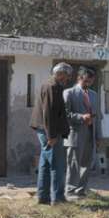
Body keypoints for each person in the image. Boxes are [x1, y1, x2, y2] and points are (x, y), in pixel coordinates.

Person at [30, 62, 73, 205]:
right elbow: (48, 113)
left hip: (45, 129)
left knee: (45, 164)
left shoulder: (52, 85)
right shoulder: (52, 87)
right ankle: (58, 198)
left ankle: (43, 197)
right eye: (66, 76)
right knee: (57, 165)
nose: (67, 80)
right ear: (60, 74)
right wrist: (52, 136)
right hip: (49, 131)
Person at [63, 67, 102, 198]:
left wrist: (98, 136)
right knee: (73, 163)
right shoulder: (69, 93)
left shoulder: (94, 95)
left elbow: (98, 118)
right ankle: (70, 191)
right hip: (75, 134)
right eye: (86, 81)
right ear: (79, 78)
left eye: (91, 82)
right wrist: (81, 117)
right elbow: (65, 115)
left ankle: (81, 190)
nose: (88, 84)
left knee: (86, 163)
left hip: (90, 134)